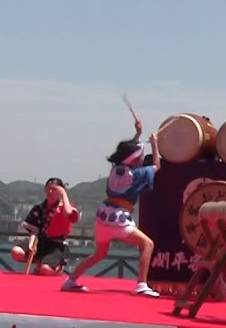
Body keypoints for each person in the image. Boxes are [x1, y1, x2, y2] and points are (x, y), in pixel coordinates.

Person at [62, 125, 162, 297]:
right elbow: (156, 166)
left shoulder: (116, 169)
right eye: (139, 156)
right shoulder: (135, 175)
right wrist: (155, 144)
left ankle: (70, 280)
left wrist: (138, 133)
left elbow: (128, 151)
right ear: (134, 158)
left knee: (99, 254)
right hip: (118, 218)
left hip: (103, 216)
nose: (141, 159)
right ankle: (141, 284)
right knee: (148, 244)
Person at [11, 178, 80, 275]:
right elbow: (34, 230)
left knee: (45, 270)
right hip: (40, 242)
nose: (50, 192)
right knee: (16, 252)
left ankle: (56, 266)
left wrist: (63, 193)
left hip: (57, 245)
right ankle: (40, 261)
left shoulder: (64, 208)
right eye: (48, 188)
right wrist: (31, 243)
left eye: (54, 189)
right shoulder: (39, 208)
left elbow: (69, 213)